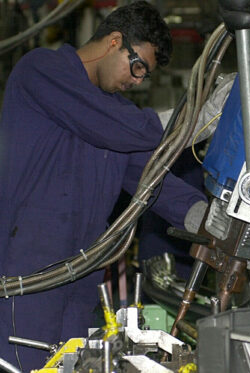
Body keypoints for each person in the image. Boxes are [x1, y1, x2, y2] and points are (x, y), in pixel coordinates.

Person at [0, 2, 207, 369]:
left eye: (146, 75)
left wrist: (203, 216)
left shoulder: (111, 118)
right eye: (139, 66)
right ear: (114, 41)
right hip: (27, 276)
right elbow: (119, 127)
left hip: (79, 282)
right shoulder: (42, 70)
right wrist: (188, 120)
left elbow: (149, 177)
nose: (138, 80)